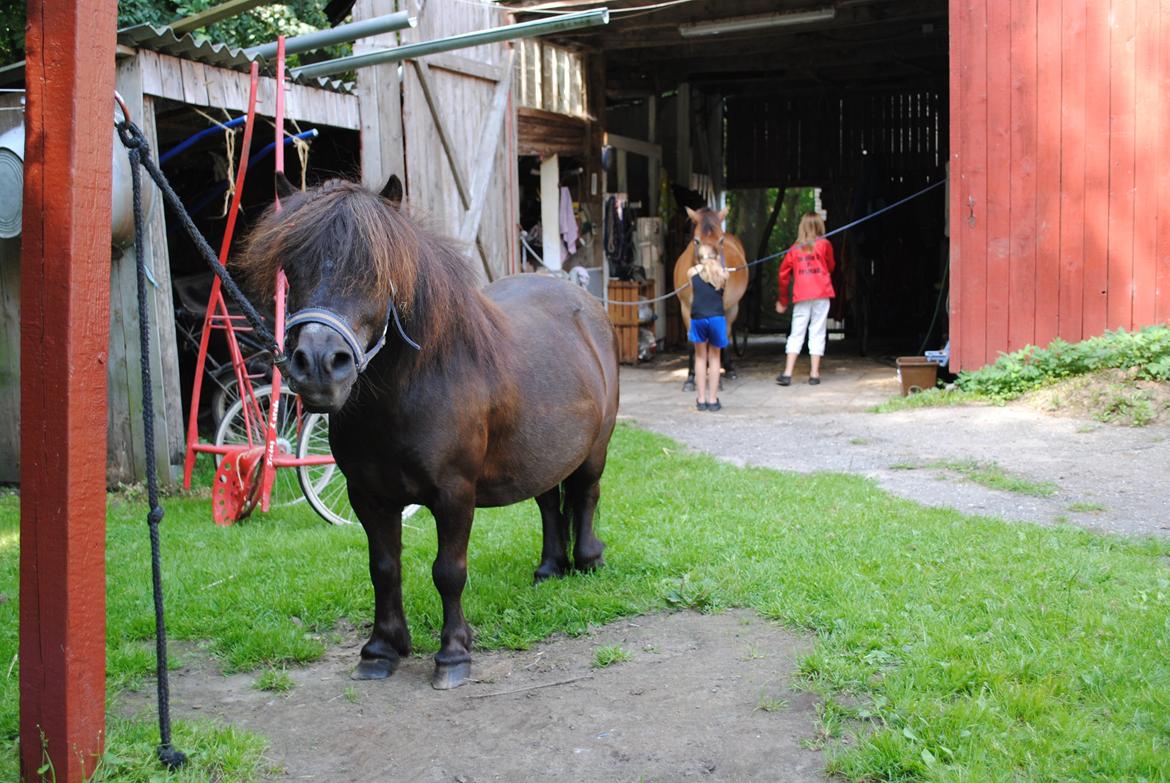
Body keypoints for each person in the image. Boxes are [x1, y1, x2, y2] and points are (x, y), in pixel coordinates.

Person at [775, 212, 836, 386]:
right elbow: (831, 266)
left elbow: (783, 275)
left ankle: (787, 373)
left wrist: (783, 299)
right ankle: (814, 374)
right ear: (819, 226)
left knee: (797, 332)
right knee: (817, 331)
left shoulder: (794, 249)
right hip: (822, 293)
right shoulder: (825, 244)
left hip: (802, 295)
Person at [688, 253, 729, 411]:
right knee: (715, 357)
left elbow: (694, 273)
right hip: (717, 318)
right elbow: (724, 273)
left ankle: (701, 399)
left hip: (698, 318)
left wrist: (701, 265)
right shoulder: (724, 274)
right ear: (717, 257)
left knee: (700, 357)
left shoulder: (692, 273)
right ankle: (712, 400)